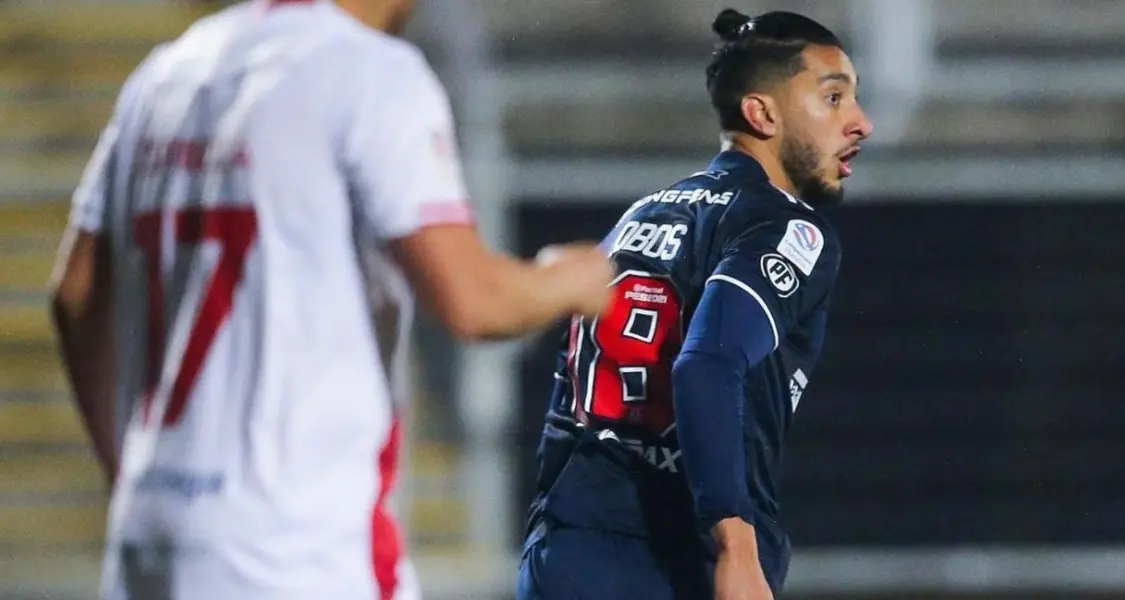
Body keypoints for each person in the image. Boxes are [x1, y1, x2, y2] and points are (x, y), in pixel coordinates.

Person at [46, 0, 614, 599]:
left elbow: (75, 291)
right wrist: (571, 277)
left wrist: (129, 471)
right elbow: (474, 302)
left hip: (150, 542)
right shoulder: (369, 72)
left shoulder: (167, 72)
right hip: (296, 550)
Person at [517, 8, 873, 600]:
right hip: (671, 553)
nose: (861, 123)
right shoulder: (784, 227)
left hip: (564, 545)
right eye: (834, 98)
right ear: (763, 113)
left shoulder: (642, 214)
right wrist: (736, 544)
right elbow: (707, 363)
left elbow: (569, 388)